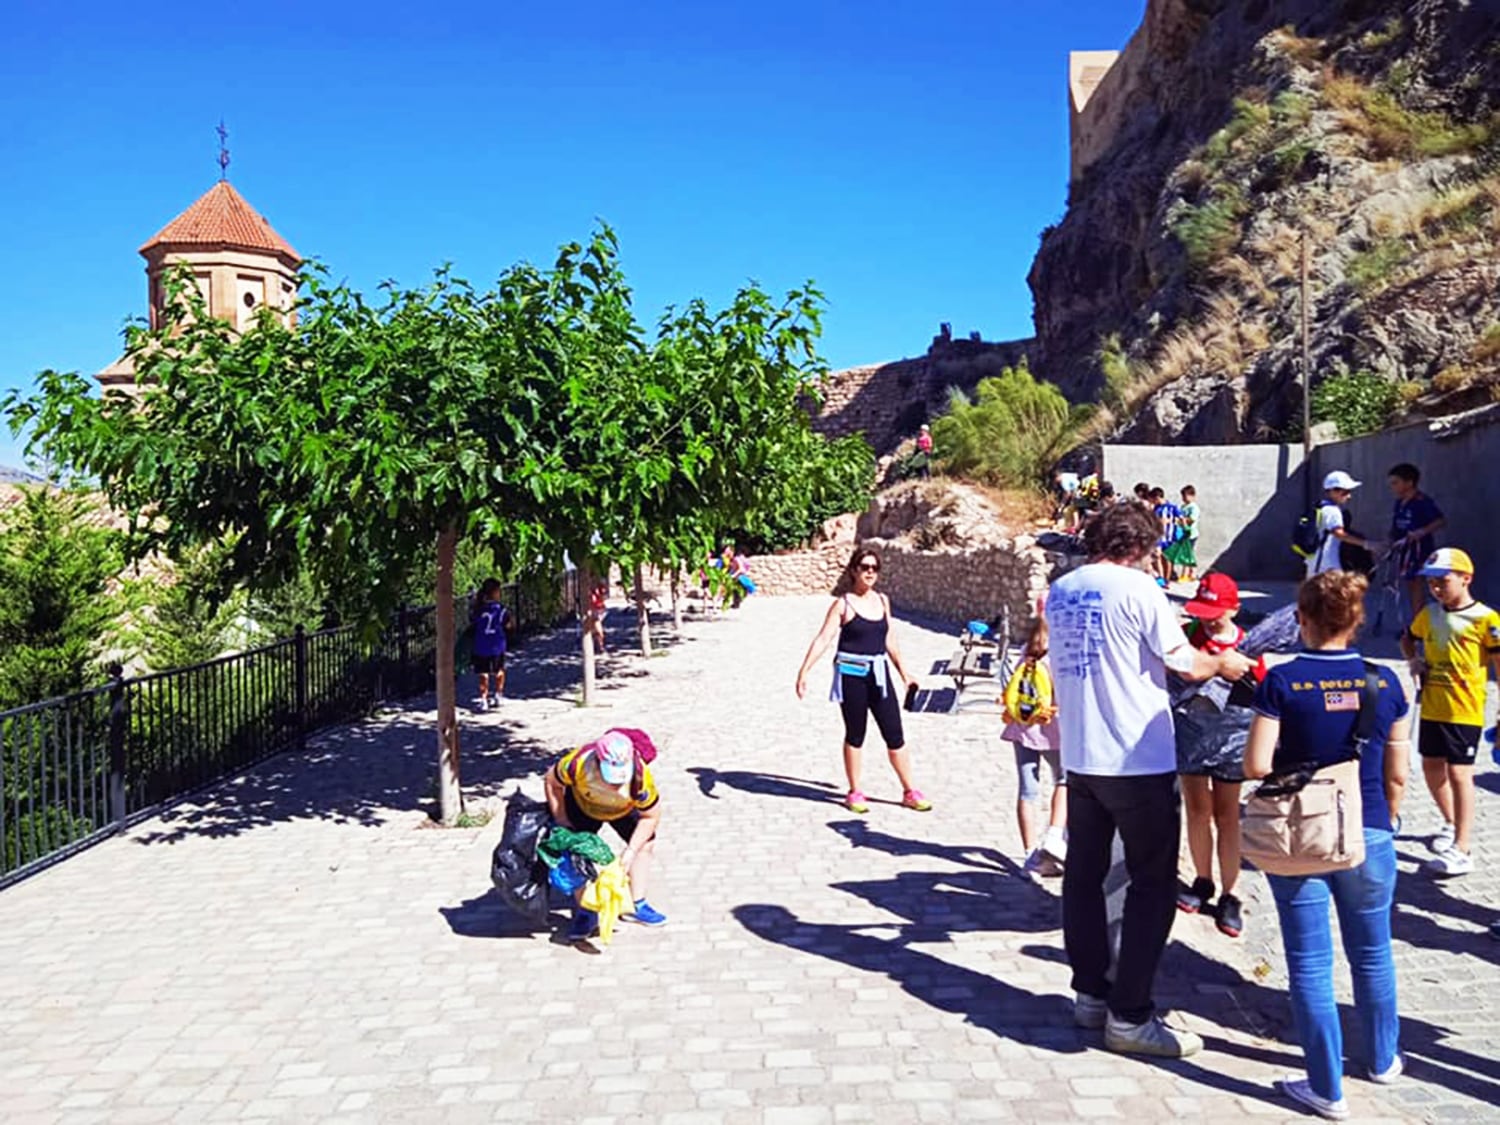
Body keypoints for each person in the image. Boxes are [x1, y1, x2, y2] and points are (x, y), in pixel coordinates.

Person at [1047, 502, 1253, 1058]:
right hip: (1137, 760)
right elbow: (1185, 663)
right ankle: (1131, 1015)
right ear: (1140, 547)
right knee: (1154, 885)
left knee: (1083, 879)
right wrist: (1226, 663)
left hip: (1082, 758)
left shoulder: (1062, 590)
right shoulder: (1140, 591)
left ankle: (1090, 994)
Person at [1244, 571, 1410, 1120]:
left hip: (1303, 833)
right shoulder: (1385, 682)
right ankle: (1383, 1061)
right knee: (1373, 950)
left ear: (1302, 618)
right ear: (1357, 620)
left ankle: (1326, 1088)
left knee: (1311, 962)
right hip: (1371, 830)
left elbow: (1256, 765)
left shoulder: (1282, 681)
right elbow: (1397, 776)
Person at [795, 546, 931, 814]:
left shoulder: (883, 601)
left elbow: (889, 638)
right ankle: (855, 791)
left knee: (895, 733)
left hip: (879, 675)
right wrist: (804, 671)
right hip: (851, 676)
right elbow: (824, 638)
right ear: (854, 570)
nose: (870, 572)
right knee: (856, 733)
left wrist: (904, 673)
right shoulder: (842, 604)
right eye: (865, 567)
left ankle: (909, 790)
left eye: (874, 568)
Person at [1175, 572, 1265, 938]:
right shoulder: (1188, 638)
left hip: (1231, 740)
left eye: (1216, 611)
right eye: (1203, 611)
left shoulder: (1250, 645)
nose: (1209, 619)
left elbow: (1262, 693)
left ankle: (1230, 893)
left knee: (1227, 815)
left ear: (1235, 609)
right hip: (1192, 737)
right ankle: (1202, 879)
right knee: (1197, 809)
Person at [1400, 548, 1500, 877]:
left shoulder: (1487, 619)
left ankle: (1463, 847)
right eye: (1431, 583)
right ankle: (1450, 821)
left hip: (1465, 710)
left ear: (1466, 578)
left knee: (1460, 775)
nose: (1436, 588)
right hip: (1431, 706)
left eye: (1443, 581)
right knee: (1431, 768)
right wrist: (1414, 660)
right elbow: (1408, 638)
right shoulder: (1429, 614)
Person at [544, 730, 666, 940]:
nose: (615, 784)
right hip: (583, 806)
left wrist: (630, 851)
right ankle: (586, 910)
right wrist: (563, 821)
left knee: (645, 844)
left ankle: (635, 905)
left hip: (624, 809)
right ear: (597, 762)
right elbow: (551, 781)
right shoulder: (577, 763)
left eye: (620, 778)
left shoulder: (640, 778)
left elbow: (650, 816)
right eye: (610, 777)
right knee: (575, 851)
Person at [1001, 614, 1067, 878]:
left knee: (1027, 790)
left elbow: (1011, 689)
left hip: (1021, 729)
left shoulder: (1027, 652)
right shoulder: (1057, 658)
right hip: (1053, 732)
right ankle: (1054, 834)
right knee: (1065, 781)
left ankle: (1030, 857)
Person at [1387, 464, 1446, 621]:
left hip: (1419, 550)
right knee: (1410, 585)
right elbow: (1396, 525)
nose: (1392, 487)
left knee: (1417, 584)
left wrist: (1421, 532)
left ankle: (1419, 625)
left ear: (1409, 483)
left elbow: (1440, 520)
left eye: (1395, 482)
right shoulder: (1399, 502)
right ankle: (1417, 622)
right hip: (1404, 549)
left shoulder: (1422, 501)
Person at [1308, 471, 1377, 577]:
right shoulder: (1333, 511)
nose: (1349, 496)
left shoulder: (1320, 507)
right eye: (1345, 492)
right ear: (1333, 491)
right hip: (1328, 565)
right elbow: (1339, 534)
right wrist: (1367, 544)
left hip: (1315, 562)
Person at [471, 578, 511, 710]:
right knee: (499, 670)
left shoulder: (478, 609)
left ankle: (483, 699)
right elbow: (508, 624)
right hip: (497, 646)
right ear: (494, 592)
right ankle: (498, 695)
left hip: (481, 646)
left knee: (483, 673)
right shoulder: (500, 609)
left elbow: (473, 623)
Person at [1164, 485, 1201, 584]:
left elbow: (1191, 520)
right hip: (1182, 535)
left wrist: (1180, 520)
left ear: (1192, 495)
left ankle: (1186, 575)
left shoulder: (1194, 508)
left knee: (1187, 555)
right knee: (1185, 554)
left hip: (1190, 534)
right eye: (1183, 496)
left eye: (1185, 496)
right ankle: (1191, 573)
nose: (1183, 498)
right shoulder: (1183, 506)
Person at [1149, 487, 1181, 586]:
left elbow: (1183, 520)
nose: (1153, 502)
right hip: (1159, 537)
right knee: (1158, 557)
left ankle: (1167, 580)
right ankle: (1161, 579)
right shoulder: (1156, 508)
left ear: (1158, 497)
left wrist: (1170, 521)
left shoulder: (1172, 507)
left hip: (1169, 537)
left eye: (1154, 500)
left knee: (1167, 560)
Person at [586, 578, 609, 654]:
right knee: (597, 630)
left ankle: (598, 646)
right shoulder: (591, 593)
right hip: (593, 612)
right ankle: (599, 647)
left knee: (596, 630)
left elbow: (602, 599)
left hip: (599, 611)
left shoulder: (599, 592)